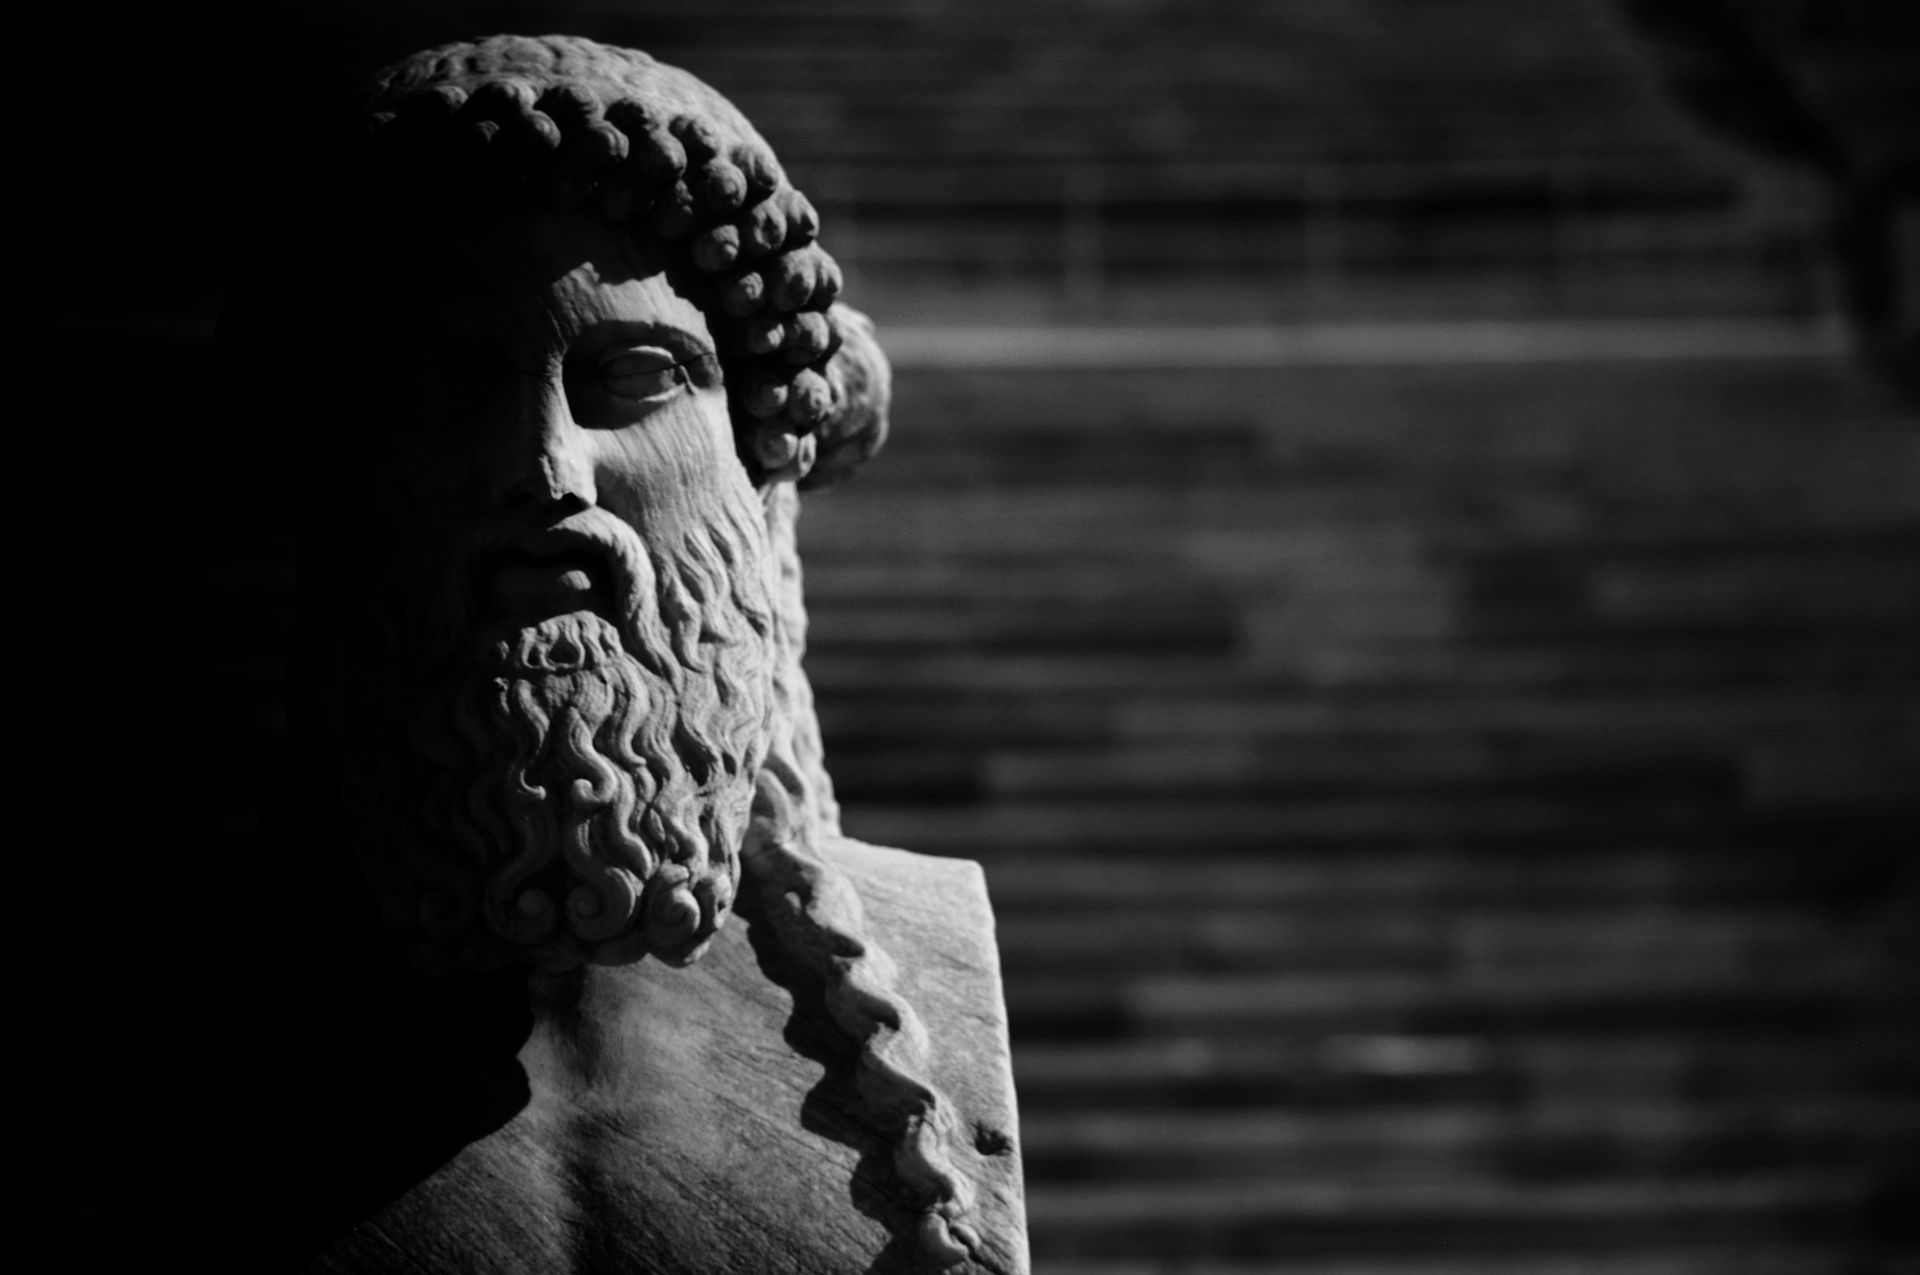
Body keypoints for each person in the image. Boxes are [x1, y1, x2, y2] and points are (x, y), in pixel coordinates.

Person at [126, 33, 1024, 1273]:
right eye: (450, 381)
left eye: (636, 376)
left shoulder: (930, 965)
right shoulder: (150, 1016)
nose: (546, 468)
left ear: (760, 469)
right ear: (342, 476)